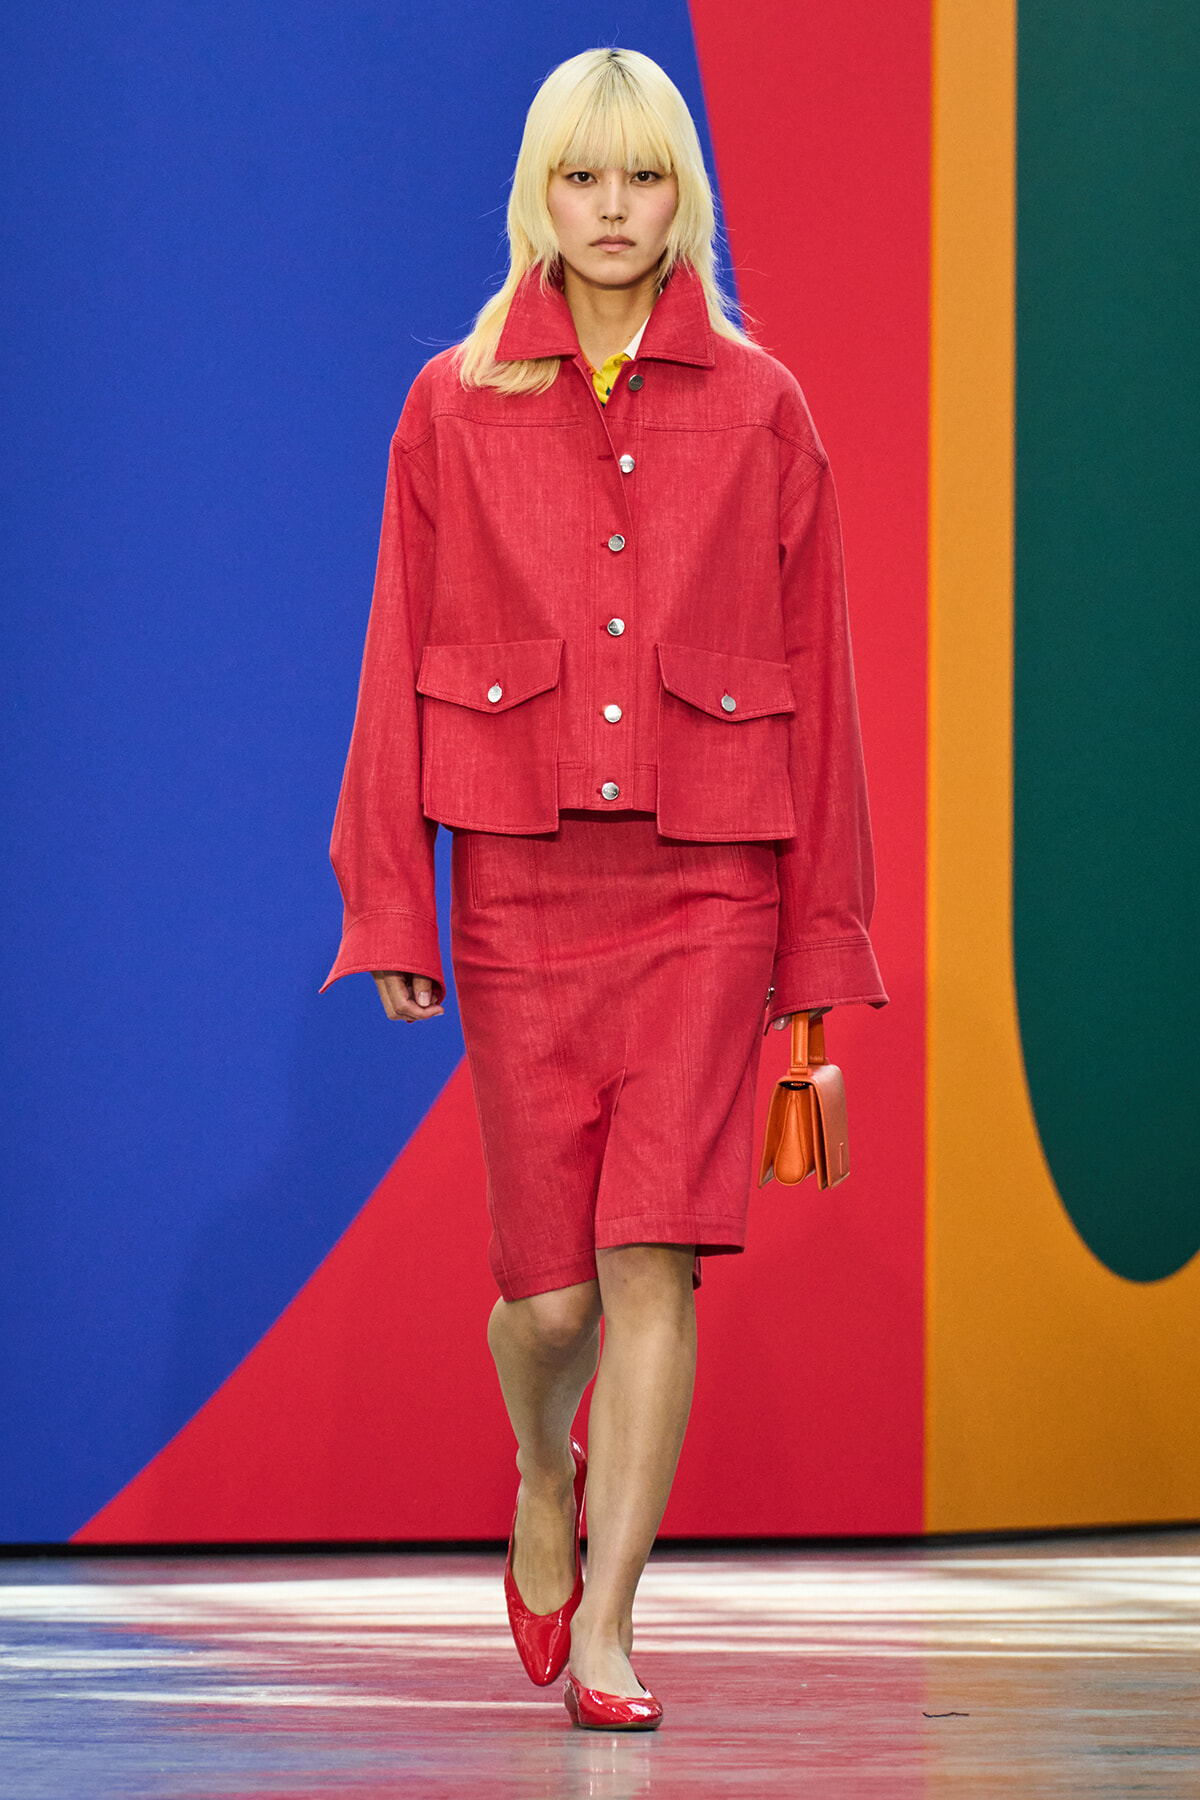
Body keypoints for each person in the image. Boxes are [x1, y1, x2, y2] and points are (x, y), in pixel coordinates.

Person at [323, 46, 886, 1732]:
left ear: (684, 195)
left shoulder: (763, 404)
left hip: (710, 883)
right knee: (547, 1288)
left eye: (644, 180)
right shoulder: (457, 396)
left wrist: (815, 940)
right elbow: (391, 658)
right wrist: (388, 907)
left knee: (657, 1258)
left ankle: (621, 1628)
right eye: (585, 180)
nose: (617, 210)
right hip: (517, 885)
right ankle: (538, 1472)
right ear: (538, 196)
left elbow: (823, 677)